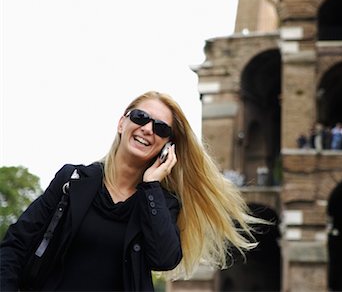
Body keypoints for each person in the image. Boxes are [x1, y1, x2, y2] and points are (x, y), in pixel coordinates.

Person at [0, 91, 262, 291]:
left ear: (167, 146)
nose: (148, 128)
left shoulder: (161, 203)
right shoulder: (72, 179)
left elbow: (164, 259)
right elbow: (16, 244)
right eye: (140, 117)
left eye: (160, 128)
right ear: (122, 123)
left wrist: (150, 186)